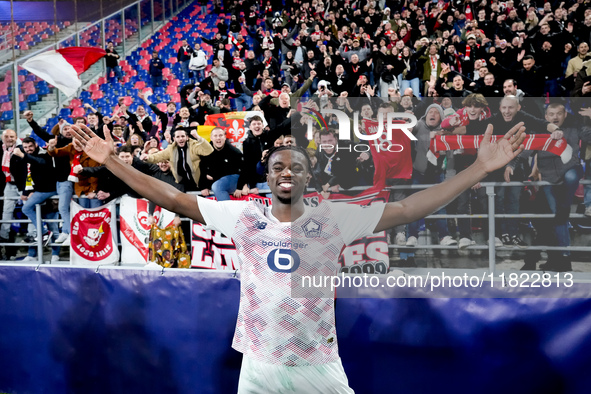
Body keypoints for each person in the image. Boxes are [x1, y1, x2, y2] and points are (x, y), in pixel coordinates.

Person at [71, 119, 525, 393]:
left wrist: (478, 168)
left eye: (297, 167)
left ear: (309, 176)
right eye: (279, 167)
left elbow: (408, 208)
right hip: (258, 364)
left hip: (317, 363)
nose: (288, 172)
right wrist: (112, 162)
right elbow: (173, 198)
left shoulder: (334, 218)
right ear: (267, 176)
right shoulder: (243, 217)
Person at [143, 128, 213, 192]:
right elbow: (158, 156)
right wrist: (148, 157)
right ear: (174, 138)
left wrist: (198, 137)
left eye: (182, 136)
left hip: (199, 183)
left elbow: (208, 150)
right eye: (178, 137)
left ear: (187, 137)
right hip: (183, 185)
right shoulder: (171, 149)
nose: (180, 139)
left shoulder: (194, 146)